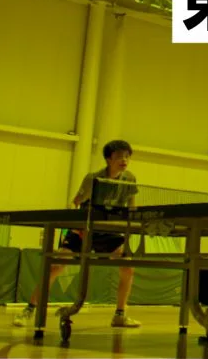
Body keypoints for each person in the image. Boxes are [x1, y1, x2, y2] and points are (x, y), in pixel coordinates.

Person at [13, 140, 140, 329]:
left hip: (109, 231)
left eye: (127, 156)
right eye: (120, 156)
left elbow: (132, 207)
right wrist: (74, 222)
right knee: (56, 266)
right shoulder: (93, 178)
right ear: (108, 159)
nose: (124, 160)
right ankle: (29, 309)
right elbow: (76, 201)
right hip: (85, 228)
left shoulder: (129, 179)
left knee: (128, 267)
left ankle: (119, 315)